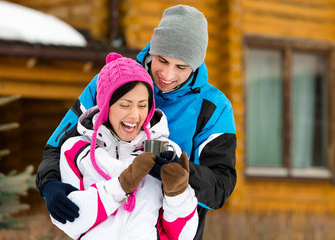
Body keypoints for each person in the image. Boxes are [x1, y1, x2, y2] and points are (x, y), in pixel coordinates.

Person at [36, 5, 237, 240]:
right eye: (162, 60)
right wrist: (49, 184)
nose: (168, 75)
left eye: (181, 67)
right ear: (153, 50)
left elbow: (221, 186)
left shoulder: (213, 107)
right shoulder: (114, 80)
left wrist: (178, 172)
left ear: (195, 66)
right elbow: (59, 143)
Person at [51, 52, 198, 239]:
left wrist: (177, 192)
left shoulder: (163, 151)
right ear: (106, 106)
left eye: (142, 105)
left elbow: (184, 235)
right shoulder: (77, 150)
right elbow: (71, 223)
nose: (135, 115)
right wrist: (121, 185)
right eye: (125, 105)